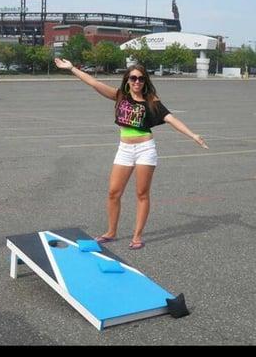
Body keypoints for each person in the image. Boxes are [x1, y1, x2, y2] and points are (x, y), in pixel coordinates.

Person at [54, 58, 208, 250]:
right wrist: (71, 69)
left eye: (141, 79)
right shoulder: (120, 96)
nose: (137, 82)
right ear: (127, 80)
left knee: (142, 194)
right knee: (113, 193)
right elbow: (94, 83)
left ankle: (137, 236)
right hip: (124, 150)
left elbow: (171, 119)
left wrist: (193, 135)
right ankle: (111, 232)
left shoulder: (152, 102)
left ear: (145, 82)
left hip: (145, 149)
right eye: (133, 78)